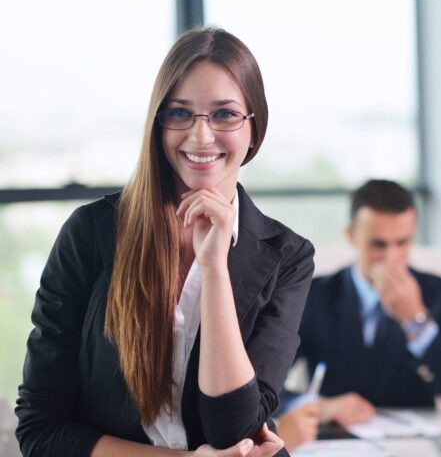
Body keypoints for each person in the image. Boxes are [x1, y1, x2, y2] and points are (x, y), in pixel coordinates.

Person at [15, 28, 315, 457]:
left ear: (254, 128)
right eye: (179, 114)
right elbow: (41, 431)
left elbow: (237, 429)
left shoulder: (287, 256)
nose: (200, 136)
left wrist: (214, 271)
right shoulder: (91, 233)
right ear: (158, 124)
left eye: (225, 114)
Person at [279, 179, 441, 447]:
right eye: (378, 245)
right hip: (337, 440)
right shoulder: (313, 295)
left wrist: (416, 321)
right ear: (351, 236)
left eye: (402, 243)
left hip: (416, 442)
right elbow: (264, 387)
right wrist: (319, 405)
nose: (391, 258)